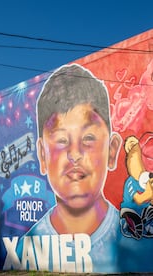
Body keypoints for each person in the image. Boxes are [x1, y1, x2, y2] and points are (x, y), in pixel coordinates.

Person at [18, 64, 122, 273]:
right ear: (42, 155)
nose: (75, 153)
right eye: (61, 140)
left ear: (112, 151)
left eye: (89, 138)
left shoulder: (137, 240)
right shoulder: (25, 249)